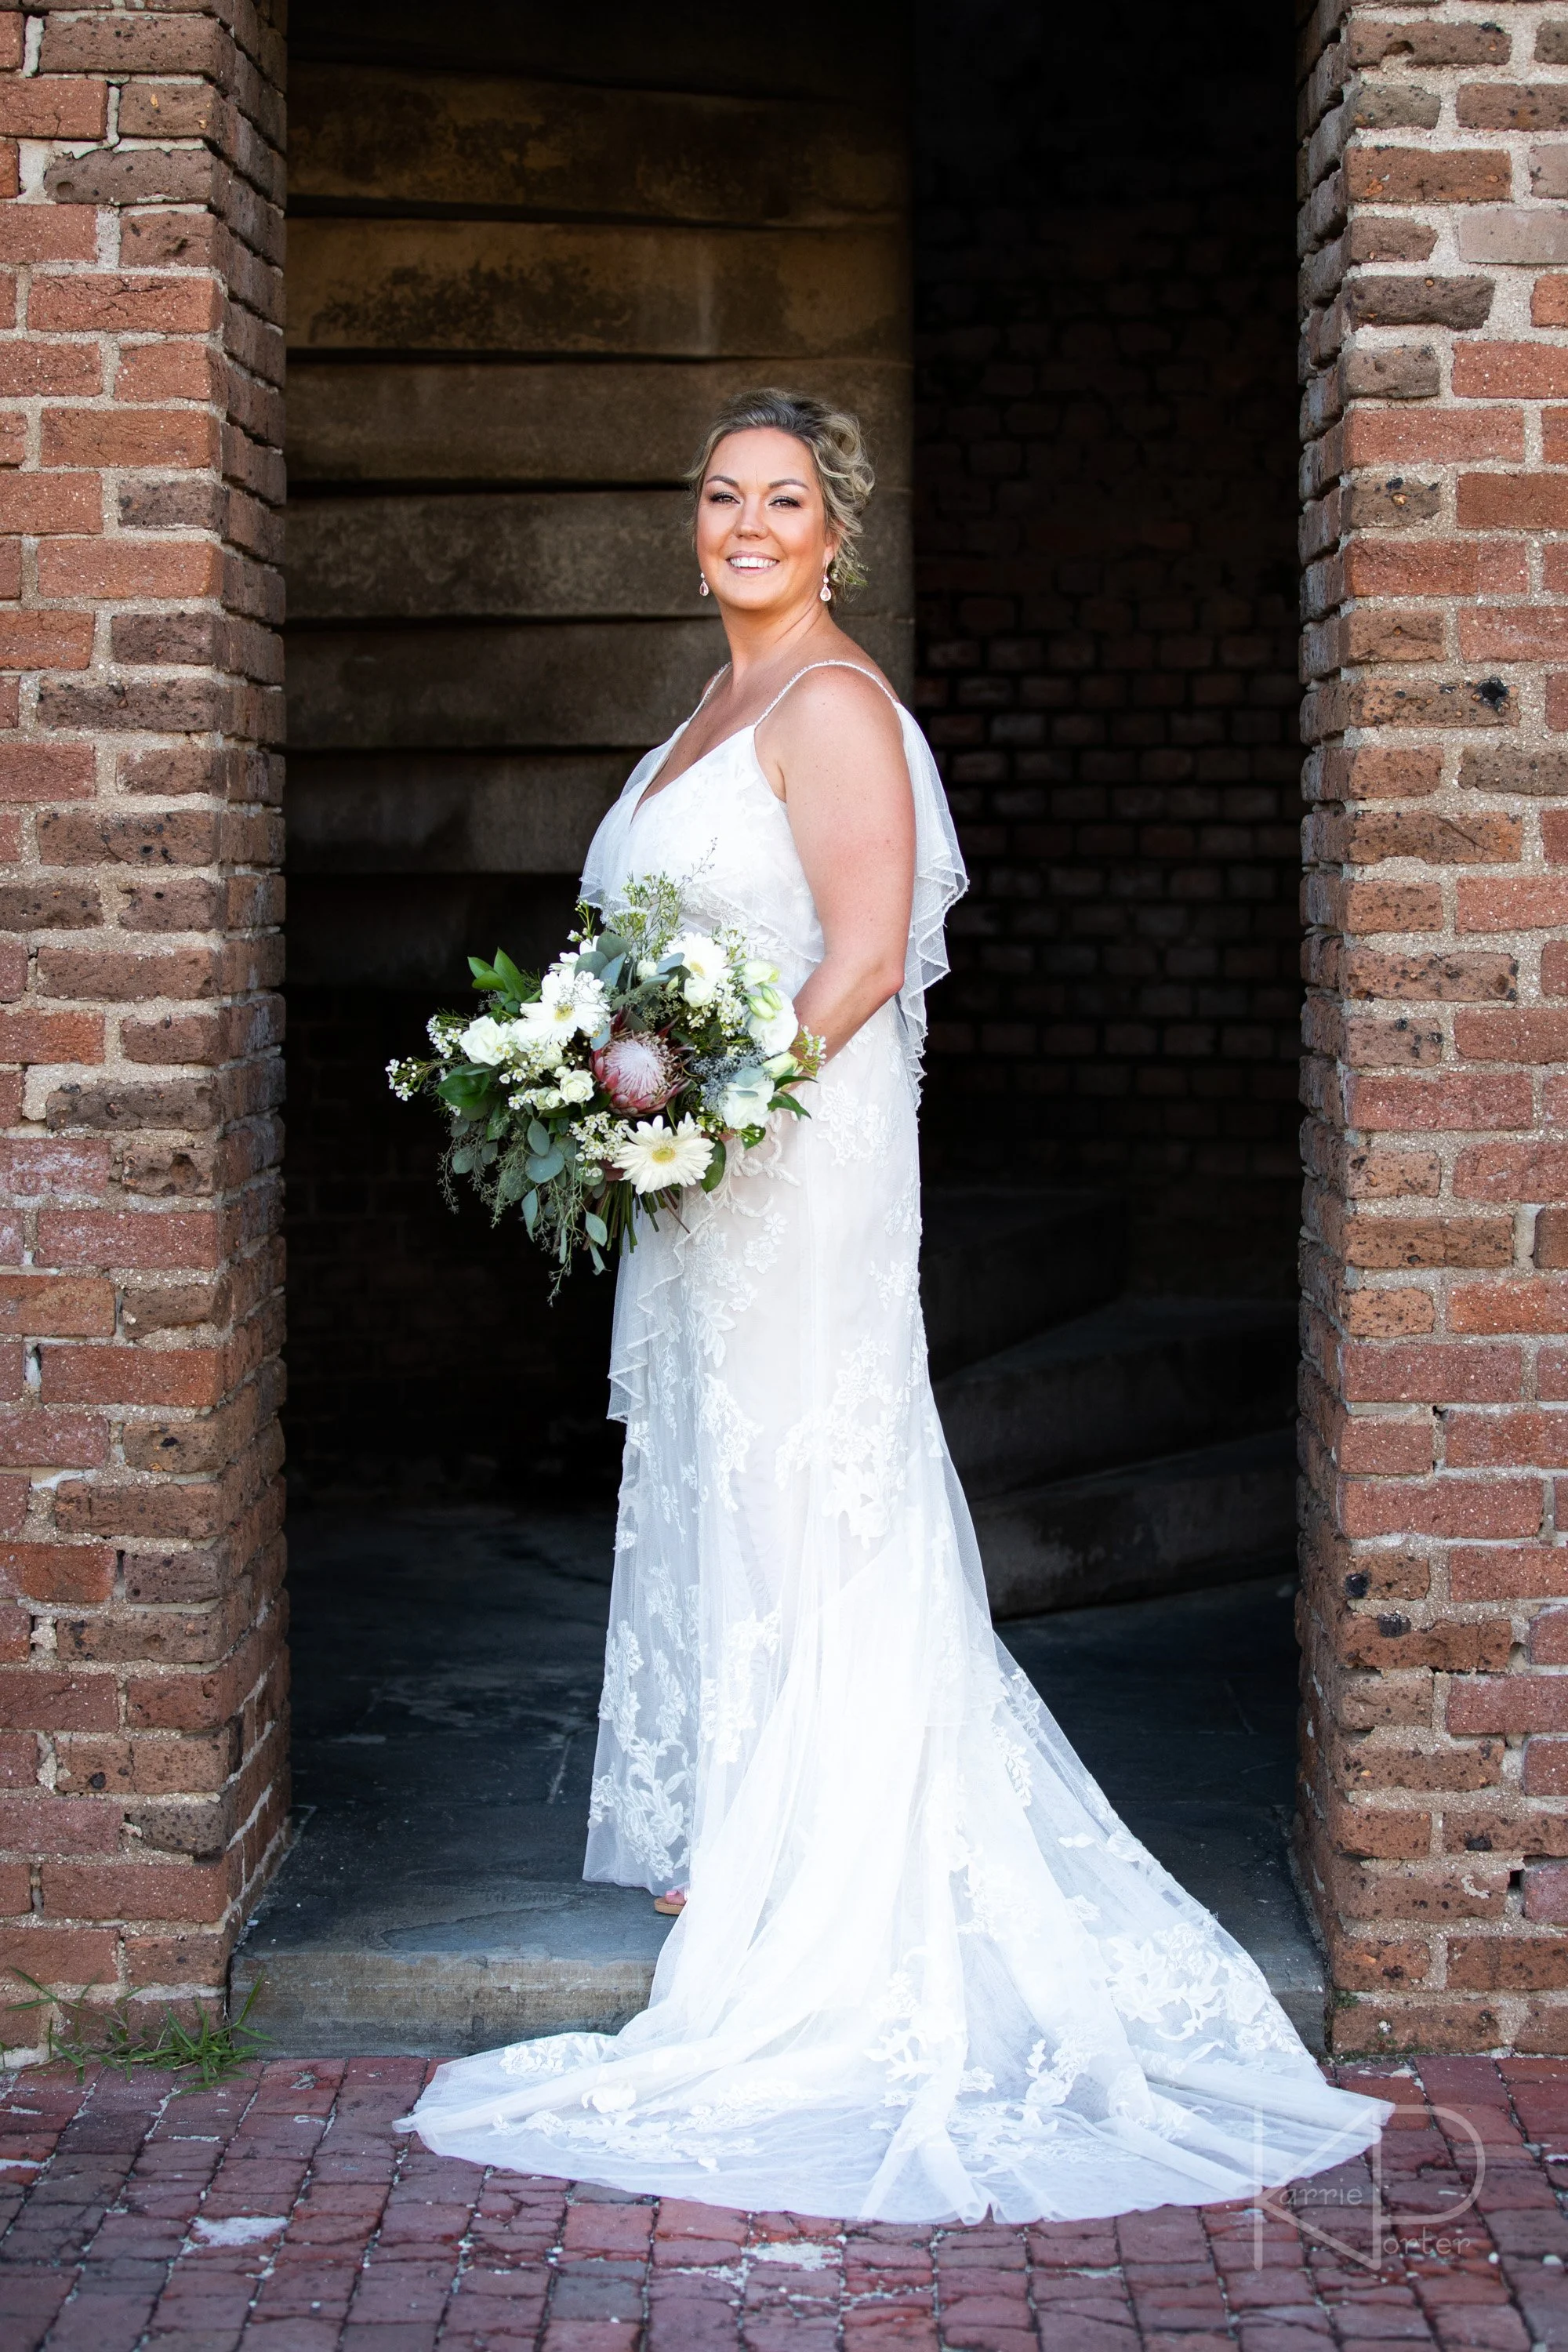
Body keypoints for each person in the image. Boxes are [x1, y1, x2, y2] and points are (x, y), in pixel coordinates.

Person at [401, 389, 1391, 2222]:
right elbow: (655, 961)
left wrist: (701, 1113)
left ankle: (825, 1881)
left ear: (834, 532)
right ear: (690, 527)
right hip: (707, 1185)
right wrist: (595, 1078)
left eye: (783, 501)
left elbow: (857, 963)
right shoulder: (714, 704)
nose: (749, 527)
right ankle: (753, 1849)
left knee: (808, 1499)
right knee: (732, 1495)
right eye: (720, 499)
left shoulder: (839, 705)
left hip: (794, 1180)